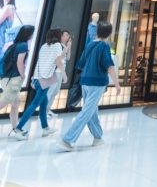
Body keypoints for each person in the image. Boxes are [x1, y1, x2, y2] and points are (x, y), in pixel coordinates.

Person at [56, 21, 121, 151]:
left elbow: (81, 64)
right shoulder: (104, 46)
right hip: (97, 82)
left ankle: (98, 137)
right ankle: (67, 139)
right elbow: (109, 66)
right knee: (87, 111)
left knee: (91, 110)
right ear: (109, 33)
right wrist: (117, 84)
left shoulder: (90, 44)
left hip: (85, 81)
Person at [15, 27, 67, 137]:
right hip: (45, 79)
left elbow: (40, 62)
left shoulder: (44, 46)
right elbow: (59, 62)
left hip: (38, 78)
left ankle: (45, 128)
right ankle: (18, 129)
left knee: (43, 104)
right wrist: (64, 75)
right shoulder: (57, 46)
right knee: (34, 104)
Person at [46, 30, 72, 117]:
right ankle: (43, 112)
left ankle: (48, 110)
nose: (68, 36)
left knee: (55, 91)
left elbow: (68, 58)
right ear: (61, 36)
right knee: (50, 91)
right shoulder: (58, 45)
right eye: (66, 34)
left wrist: (69, 47)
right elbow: (59, 58)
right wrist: (67, 48)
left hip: (61, 72)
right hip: (55, 72)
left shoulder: (64, 46)